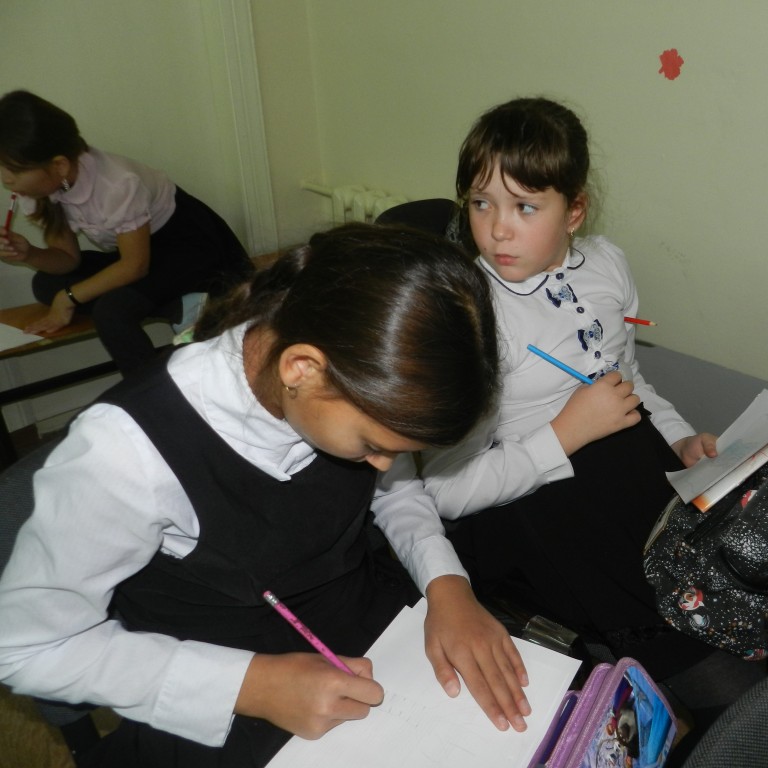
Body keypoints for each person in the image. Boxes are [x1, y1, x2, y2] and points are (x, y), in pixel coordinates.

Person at [0, 223, 531, 768]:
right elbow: (26, 648)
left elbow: (394, 491)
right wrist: (251, 685)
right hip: (219, 683)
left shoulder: (338, 380)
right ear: (302, 369)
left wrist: (446, 584)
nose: (382, 464)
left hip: (366, 628)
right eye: (373, 445)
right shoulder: (124, 452)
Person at [419, 97, 755, 732]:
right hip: (537, 502)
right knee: (709, 666)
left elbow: (631, 381)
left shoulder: (606, 263)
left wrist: (679, 440)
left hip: (631, 465)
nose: (497, 230)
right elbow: (442, 489)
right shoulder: (465, 313)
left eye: (525, 207)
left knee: (729, 574)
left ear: (574, 211)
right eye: (481, 203)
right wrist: (565, 433)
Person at [0, 89, 253, 373]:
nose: (6, 179)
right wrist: (29, 254)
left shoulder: (117, 185)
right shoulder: (40, 189)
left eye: (14, 170)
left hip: (188, 248)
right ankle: (178, 305)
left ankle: (153, 391)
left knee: (111, 312)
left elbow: (134, 266)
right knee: (45, 283)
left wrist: (68, 298)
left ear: (59, 165)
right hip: (142, 254)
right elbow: (67, 259)